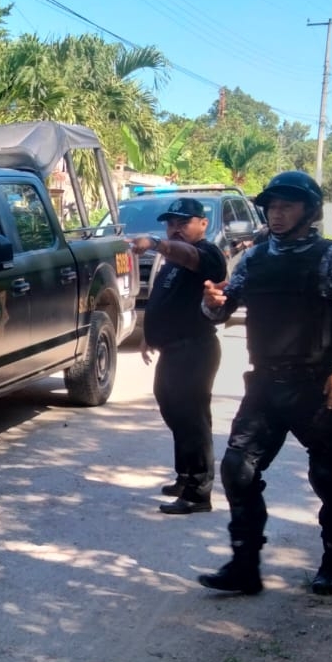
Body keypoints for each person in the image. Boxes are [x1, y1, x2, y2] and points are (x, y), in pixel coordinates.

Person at [197, 171, 332, 597]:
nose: (277, 214)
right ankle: (244, 566)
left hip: (319, 386)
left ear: (309, 211)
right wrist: (211, 304)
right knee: (237, 470)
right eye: (272, 207)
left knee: (329, 476)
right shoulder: (256, 258)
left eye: (287, 207)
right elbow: (223, 309)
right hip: (265, 385)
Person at [130, 196, 228, 514]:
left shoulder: (207, 254)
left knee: (192, 418)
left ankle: (199, 493)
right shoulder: (172, 262)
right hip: (173, 351)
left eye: (183, 223)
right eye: (171, 224)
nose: (175, 229)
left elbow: (188, 255)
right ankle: (185, 476)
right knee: (173, 410)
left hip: (195, 349)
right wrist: (149, 334)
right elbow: (161, 298)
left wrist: (157, 243)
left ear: (203, 223)